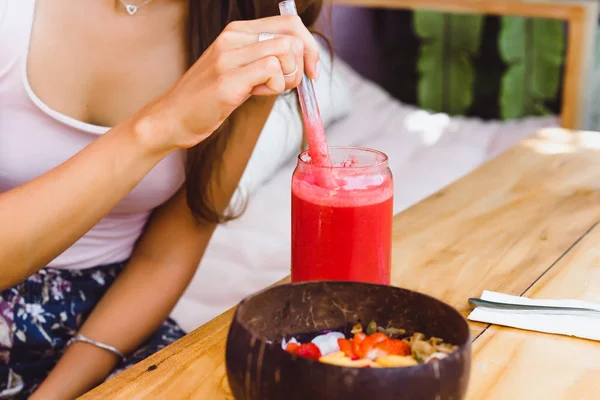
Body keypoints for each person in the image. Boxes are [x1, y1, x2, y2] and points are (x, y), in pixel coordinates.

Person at [0, 0, 322, 398]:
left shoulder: (254, 15)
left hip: (113, 316)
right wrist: (160, 126)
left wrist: (59, 391)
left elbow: (167, 252)